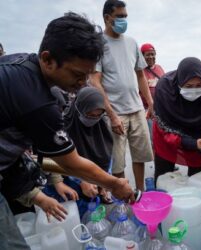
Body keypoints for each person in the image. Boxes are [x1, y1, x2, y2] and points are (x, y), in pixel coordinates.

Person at [0, 13, 134, 250]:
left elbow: (43, 157)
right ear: (48, 59)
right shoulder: (37, 101)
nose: (83, 83)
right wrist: (114, 184)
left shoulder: (19, 68)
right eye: (76, 74)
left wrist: (35, 196)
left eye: (87, 75)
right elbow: (69, 162)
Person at [90, 0, 153, 191]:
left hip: (136, 109)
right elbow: (95, 81)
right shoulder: (99, 45)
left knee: (140, 156)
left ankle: (139, 192)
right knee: (118, 162)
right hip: (115, 113)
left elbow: (140, 74)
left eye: (125, 16)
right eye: (120, 16)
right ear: (107, 18)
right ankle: (122, 197)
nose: (124, 20)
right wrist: (111, 114)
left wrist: (150, 102)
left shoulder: (132, 42)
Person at [44, 86, 114, 216]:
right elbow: (48, 158)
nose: (93, 119)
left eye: (98, 115)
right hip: (65, 184)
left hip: (91, 185)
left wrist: (104, 180)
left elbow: (107, 156)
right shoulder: (62, 127)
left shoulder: (102, 126)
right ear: (78, 108)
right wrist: (80, 179)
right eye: (89, 115)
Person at [140, 43, 165, 139]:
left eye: (152, 54)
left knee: (164, 137)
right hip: (147, 111)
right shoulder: (139, 71)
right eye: (147, 54)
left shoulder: (159, 68)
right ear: (142, 56)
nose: (151, 57)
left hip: (161, 110)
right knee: (153, 139)